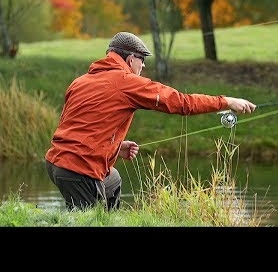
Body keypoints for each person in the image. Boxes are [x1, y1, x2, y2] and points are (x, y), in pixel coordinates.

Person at [45, 31, 256, 211]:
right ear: (130, 60)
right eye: (142, 60)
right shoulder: (127, 82)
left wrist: (115, 149)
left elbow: (78, 129)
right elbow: (182, 103)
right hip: (79, 169)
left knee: (113, 180)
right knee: (87, 221)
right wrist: (226, 101)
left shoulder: (80, 82)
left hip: (56, 164)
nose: (143, 66)